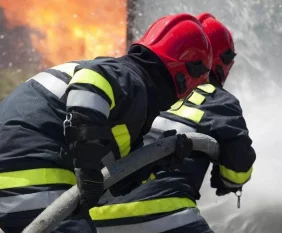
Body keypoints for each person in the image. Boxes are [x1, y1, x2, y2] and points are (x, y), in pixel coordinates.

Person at [0, 13, 213, 233]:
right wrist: (86, 166)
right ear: (185, 75)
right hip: (33, 169)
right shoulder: (130, 78)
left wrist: (157, 162)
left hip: (18, 171)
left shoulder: (124, 105)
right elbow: (91, 82)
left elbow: (109, 185)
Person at [92, 13, 256, 233]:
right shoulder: (218, 100)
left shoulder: (142, 89)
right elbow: (238, 171)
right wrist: (227, 179)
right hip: (161, 214)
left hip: (94, 217)